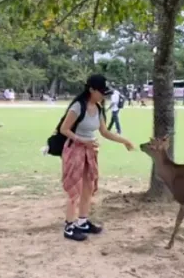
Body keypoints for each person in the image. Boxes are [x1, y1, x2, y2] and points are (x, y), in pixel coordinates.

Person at [59, 74, 134, 242]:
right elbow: (64, 129)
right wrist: (82, 141)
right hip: (75, 150)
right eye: (101, 92)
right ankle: (69, 227)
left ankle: (83, 222)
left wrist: (124, 141)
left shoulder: (98, 108)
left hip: (90, 151)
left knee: (88, 186)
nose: (103, 96)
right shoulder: (78, 107)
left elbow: (104, 132)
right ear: (91, 89)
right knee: (74, 189)